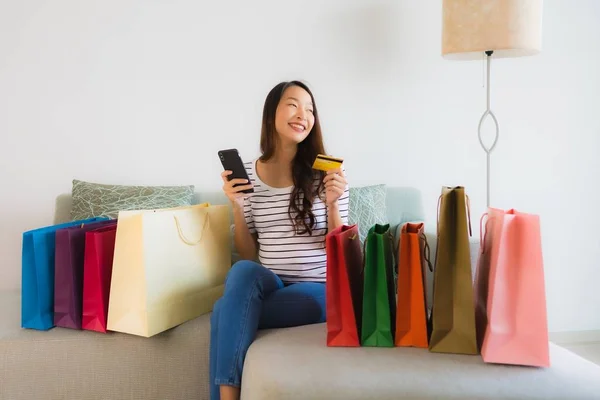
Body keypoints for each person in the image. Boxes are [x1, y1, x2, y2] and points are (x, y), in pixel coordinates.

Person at [209, 80, 349, 400]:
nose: (303, 114)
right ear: (271, 112)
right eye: (293, 104)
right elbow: (248, 254)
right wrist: (237, 206)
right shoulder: (246, 173)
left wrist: (332, 203)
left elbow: (339, 251)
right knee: (242, 273)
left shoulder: (326, 173)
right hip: (273, 283)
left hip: (319, 290)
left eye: (310, 109)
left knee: (222, 312)